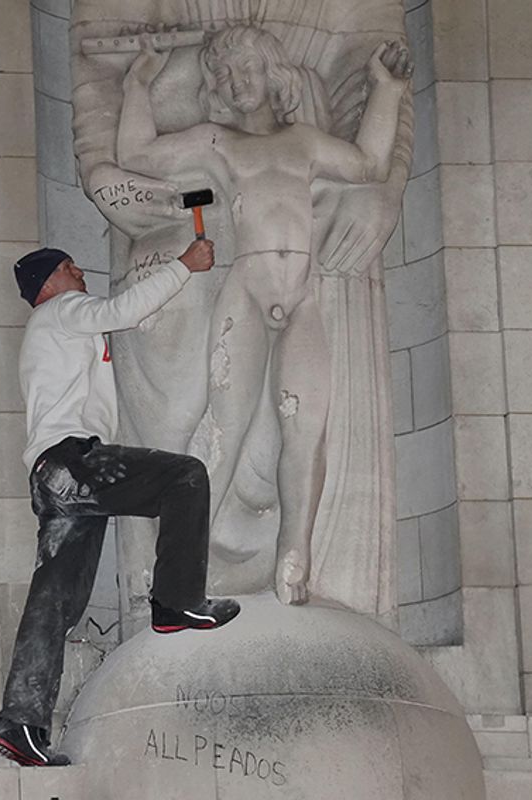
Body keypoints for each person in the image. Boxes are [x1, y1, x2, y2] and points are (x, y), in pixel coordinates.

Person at [117, 29, 412, 605]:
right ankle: (180, 564)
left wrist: (386, 90)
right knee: (224, 431)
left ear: (271, 70)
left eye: (245, 68)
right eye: (224, 75)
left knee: (305, 429)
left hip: (302, 296)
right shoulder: (218, 141)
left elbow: (371, 163)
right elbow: (135, 155)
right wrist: (137, 83)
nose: (236, 83)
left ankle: (294, 557)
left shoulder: (304, 141)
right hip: (247, 293)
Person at [0, 239, 241, 767]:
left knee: (55, 603)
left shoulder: (49, 328)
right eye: (68, 267)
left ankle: (20, 725)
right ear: (48, 285)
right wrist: (184, 266)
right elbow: (122, 311)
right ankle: (176, 602)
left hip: (52, 477)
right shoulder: (64, 309)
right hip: (74, 461)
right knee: (185, 477)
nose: (80, 272)